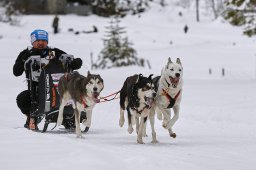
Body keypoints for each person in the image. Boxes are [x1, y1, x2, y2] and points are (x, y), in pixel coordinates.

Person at [13, 29, 82, 130]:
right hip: (36, 91)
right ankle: (31, 118)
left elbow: (68, 61)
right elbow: (16, 72)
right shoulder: (26, 53)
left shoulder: (52, 52)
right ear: (33, 41)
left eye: (43, 40)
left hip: (56, 88)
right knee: (22, 98)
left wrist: (76, 62)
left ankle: (68, 119)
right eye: (38, 41)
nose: (41, 43)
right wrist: (28, 56)